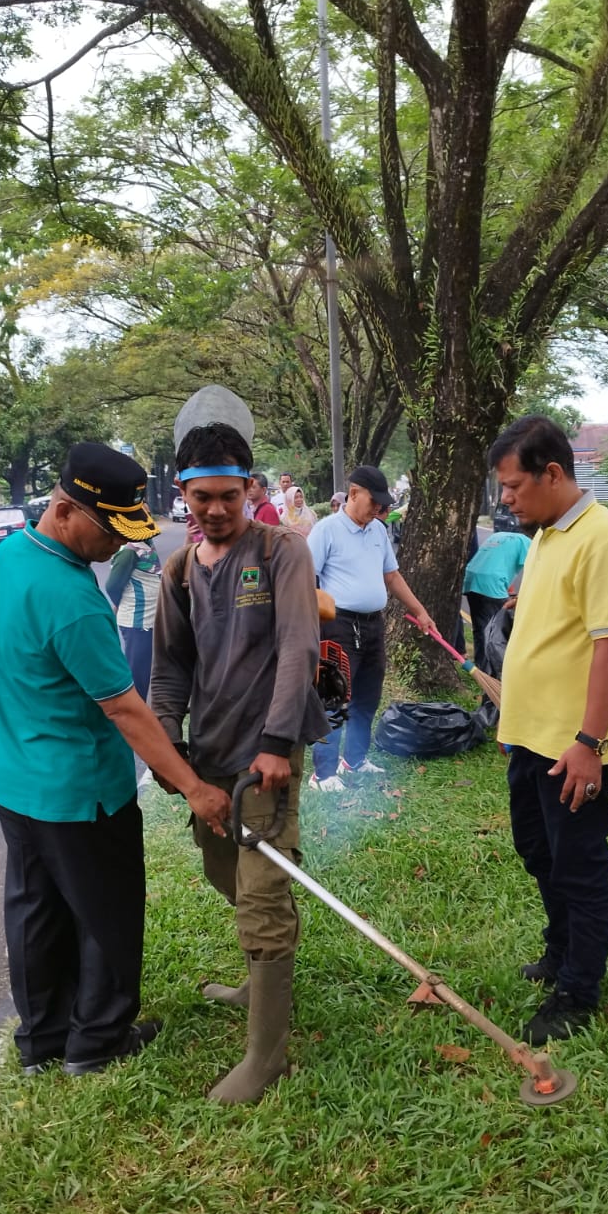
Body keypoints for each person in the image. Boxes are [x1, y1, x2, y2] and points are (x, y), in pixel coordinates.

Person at [0, 443, 230, 1077]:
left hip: (11, 777)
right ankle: (97, 1043)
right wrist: (193, 787)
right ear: (65, 511)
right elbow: (127, 711)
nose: (117, 544)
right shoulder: (73, 599)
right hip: (78, 790)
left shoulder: (11, 556)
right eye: (107, 528)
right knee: (108, 913)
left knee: (36, 908)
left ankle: (43, 1043)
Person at [152, 423, 329, 1103]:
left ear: (250, 488)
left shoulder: (282, 550)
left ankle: (266, 1058)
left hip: (268, 758)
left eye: (229, 495)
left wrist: (278, 742)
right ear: (183, 495)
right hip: (211, 755)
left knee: (260, 893)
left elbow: (296, 648)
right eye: (203, 499)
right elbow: (169, 674)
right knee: (224, 870)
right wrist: (168, 750)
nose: (217, 511)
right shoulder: (177, 572)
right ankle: (260, 978)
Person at [492, 416, 608, 1043]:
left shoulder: (602, 538)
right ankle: (560, 949)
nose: (506, 499)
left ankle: (578, 990)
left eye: (513, 485)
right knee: (538, 849)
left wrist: (588, 744)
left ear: (553, 473)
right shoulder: (549, 533)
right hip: (530, 736)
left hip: (575, 747)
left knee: (578, 864)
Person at [306, 465, 435, 792]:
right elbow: (305, 580)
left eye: (382, 504)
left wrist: (419, 610)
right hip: (338, 625)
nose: (379, 509)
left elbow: (391, 576)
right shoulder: (326, 530)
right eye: (374, 502)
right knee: (333, 699)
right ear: (353, 494)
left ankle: (354, 760)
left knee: (367, 696)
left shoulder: (377, 531)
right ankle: (323, 773)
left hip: (373, 626)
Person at [463, 529, 531, 671]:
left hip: (471, 578)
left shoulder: (499, 536)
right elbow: (534, 570)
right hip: (492, 583)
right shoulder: (526, 542)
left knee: (480, 629)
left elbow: (497, 562)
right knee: (496, 633)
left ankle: (482, 669)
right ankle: (496, 672)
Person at [105, 540, 162, 700]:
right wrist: (118, 603)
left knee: (143, 670)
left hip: (147, 620)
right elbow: (113, 586)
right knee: (137, 673)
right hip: (138, 621)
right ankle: (134, 713)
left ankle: (138, 709)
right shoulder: (129, 551)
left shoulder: (146, 544)